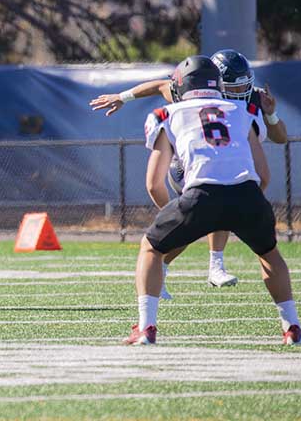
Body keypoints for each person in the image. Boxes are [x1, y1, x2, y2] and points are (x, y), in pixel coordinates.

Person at [124, 55, 301, 346]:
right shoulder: (241, 110)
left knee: (151, 248)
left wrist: (174, 213)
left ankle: (146, 328)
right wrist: (248, 204)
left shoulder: (165, 114)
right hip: (247, 194)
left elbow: (154, 183)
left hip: (199, 195)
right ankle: (292, 327)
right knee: (270, 254)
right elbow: (263, 174)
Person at [89, 49, 287, 295]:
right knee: (195, 219)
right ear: (214, 82)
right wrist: (122, 96)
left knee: (221, 197)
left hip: (228, 168)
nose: (241, 94)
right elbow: (160, 85)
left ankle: (209, 266)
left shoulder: (252, 100)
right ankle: (168, 268)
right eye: (234, 88)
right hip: (187, 166)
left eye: (244, 86)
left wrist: (271, 113)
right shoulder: (191, 96)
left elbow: (281, 138)